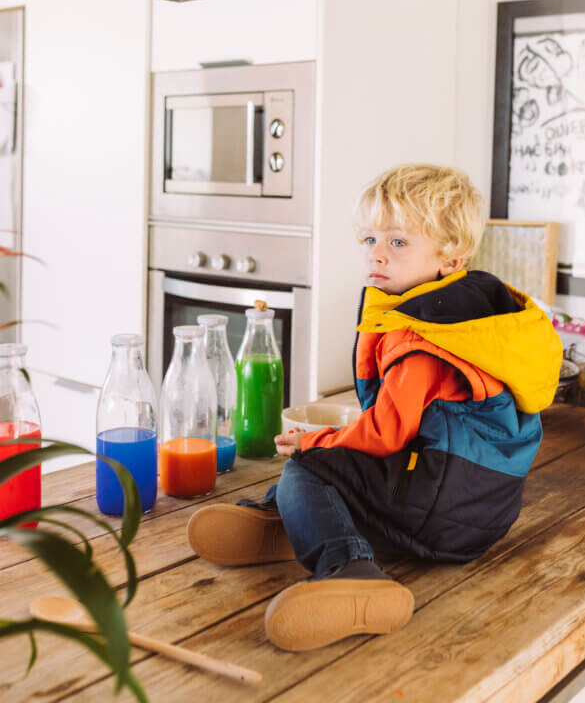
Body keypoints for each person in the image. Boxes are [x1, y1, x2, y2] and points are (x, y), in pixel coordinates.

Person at [187, 164, 562, 652]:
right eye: (369, 240)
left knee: (308, 465)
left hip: (442, 510)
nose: (377, 255)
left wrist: (312, 444)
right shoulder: (467, 319)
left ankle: (348, 566)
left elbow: (385, 436)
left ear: (451, 258)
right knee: (329, 461)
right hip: (475, 509)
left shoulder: (424, 338)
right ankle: (299, 518)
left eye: (398, 243)